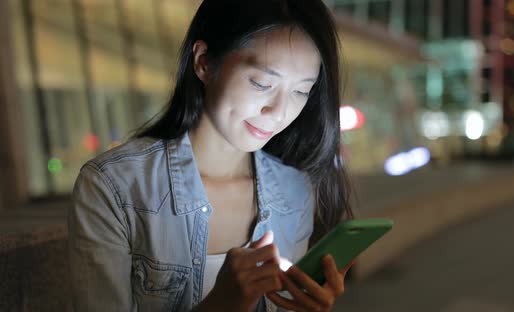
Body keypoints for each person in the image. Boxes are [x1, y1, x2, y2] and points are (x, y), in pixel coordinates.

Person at [68, 0, 355, 311]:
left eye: (301, 91)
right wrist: (222, 303)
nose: (279, 112)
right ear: (204, 62)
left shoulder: (294, 190)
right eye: (262, 83)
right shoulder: (115, 187)